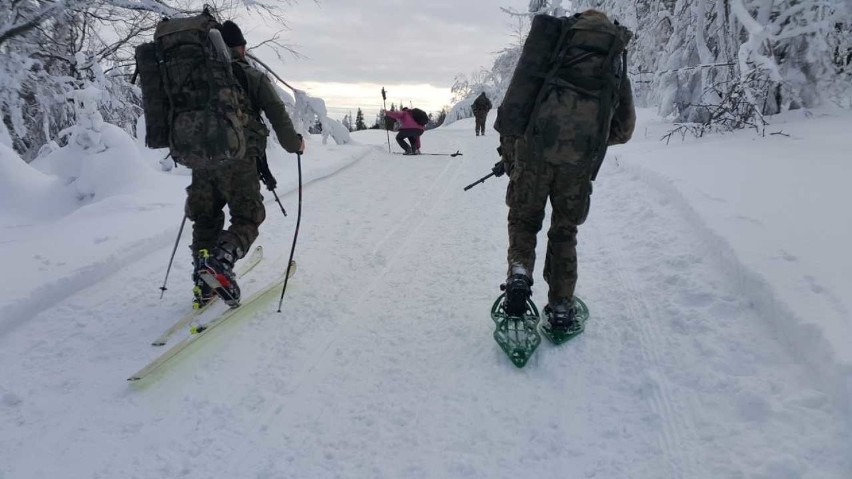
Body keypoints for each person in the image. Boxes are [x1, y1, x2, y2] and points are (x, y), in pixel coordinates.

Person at [497, 9, 636, 333]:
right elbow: (624, 129)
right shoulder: (612, 62)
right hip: (578, 164)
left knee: (524, 220)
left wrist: (510, 154)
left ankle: (519, 275)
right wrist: (587, 143)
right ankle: (560, 306)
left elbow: (516, 105)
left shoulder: (551, 47)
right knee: (564, 231)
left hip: (534, 154)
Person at [187, 20, 305, 308]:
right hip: (238, 160)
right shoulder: (250, 76)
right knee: (248, 217)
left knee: (205, 216)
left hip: (200, 159)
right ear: (238, 47)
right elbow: (277, 115)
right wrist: (295, 144)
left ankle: (204, 279)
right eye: (243, 45)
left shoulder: (193, 75)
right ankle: (221, 262)